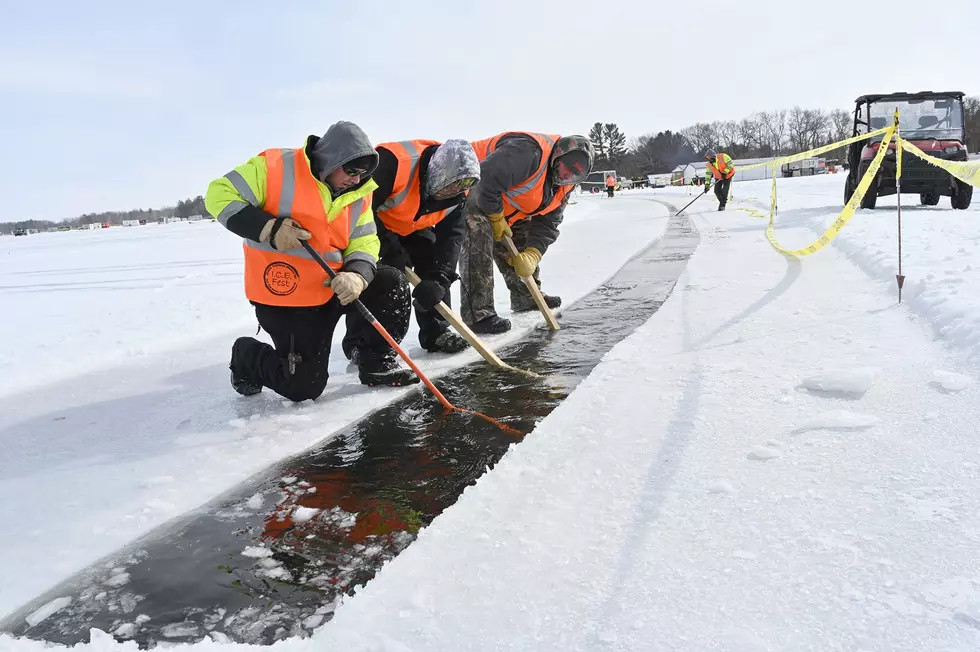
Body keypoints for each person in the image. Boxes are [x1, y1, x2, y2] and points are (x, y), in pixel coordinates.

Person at [205, 120, 420, 401]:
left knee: (391, 282)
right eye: (351, 170)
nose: (356, 179)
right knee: (304, 388)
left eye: (363, 174)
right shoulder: (273, 168)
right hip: (288, 297)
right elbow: (217, 195)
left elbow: (366, 241)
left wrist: (357, 275)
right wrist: (269, 229)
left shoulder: (360, 193)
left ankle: (374, 362)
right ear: (331, 160)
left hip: (334, 287)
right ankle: (246, 355)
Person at [341, 139, 480, 362]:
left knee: (432, 258)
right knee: (374, 275)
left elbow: (451, 237)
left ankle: (437, 331)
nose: (454, 192)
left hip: (410, 227)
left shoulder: (458, 192)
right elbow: (361, 208)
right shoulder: (393, 163)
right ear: (438, 173)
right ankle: (359, 343)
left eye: (461, 187)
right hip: (369, 227)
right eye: (449, 186)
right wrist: (391, 249)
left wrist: (440, 279)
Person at [459, 132, 594, 334]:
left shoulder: (564, 187)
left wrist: (533, 254)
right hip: (469, 190)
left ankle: (526, 296)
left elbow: (548, 225)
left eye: (576, 174)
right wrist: (495, 217)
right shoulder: (529, 152)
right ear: (559, 154)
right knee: (478, 234)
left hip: (505, 208)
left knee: (522, 235)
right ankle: (478, 314)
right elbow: (485, 177)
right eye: (568, 167)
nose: (568, 176)